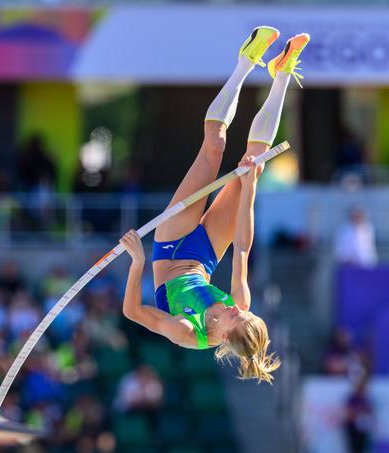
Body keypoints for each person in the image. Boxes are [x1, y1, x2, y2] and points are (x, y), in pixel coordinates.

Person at [119, 27, 310, 384]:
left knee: (213, 148)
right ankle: (281, 72)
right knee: (253, 162)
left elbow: (132, 311)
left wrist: (138, 262)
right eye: (245, 313)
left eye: (237, 317)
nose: (239, 308)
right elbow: (241, 247)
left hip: (171, 249)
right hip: (205, 254)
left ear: (223, 335)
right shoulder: (241, 303)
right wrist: (249, 185)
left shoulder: (185, 331)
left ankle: (243, 63)